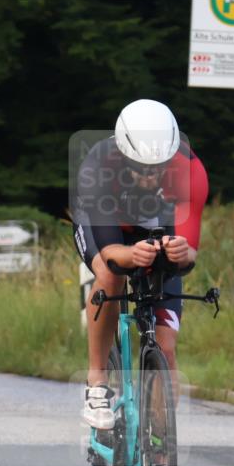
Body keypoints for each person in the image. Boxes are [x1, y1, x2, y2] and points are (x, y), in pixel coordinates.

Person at [71, 99, 209, 430]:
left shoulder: (191, 172)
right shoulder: (98, 166)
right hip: (104, 225)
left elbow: (190, 254)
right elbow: (110, 251)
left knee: (166, 346)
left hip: (155, 226)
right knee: (109, 274)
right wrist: (131, 255)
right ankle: (97, 383)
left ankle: (161, 461)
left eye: (157, 168)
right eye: (140, 167)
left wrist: (179, 252)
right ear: (122, 154)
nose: (149, 176)